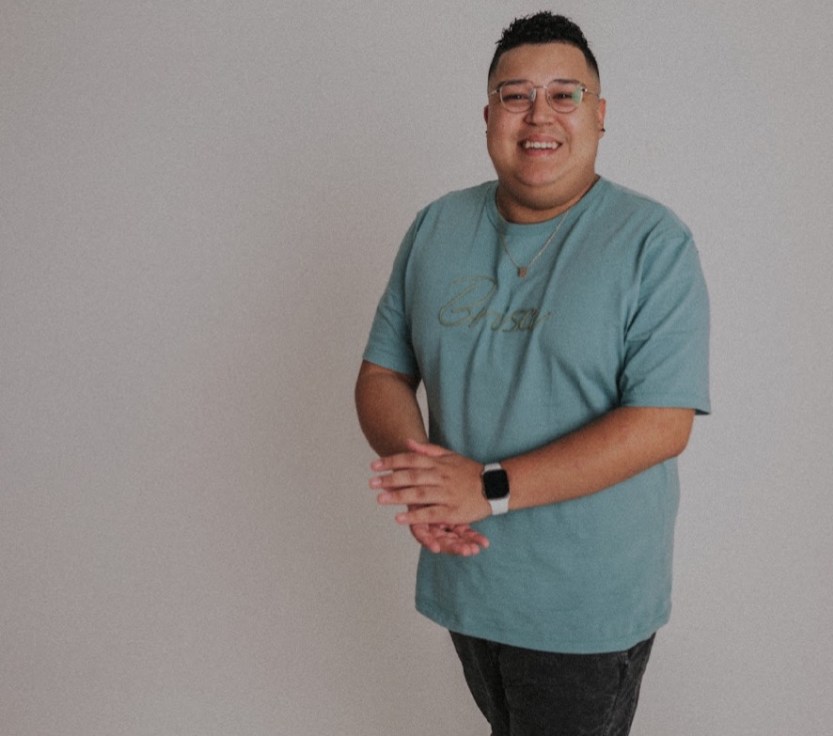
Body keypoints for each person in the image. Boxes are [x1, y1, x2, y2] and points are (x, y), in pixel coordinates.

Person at [355, 11, 710, 735]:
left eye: (564, 94)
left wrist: (485, 487)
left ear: (599, 114)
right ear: (489, 116)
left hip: (585, 605)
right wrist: (425, 479)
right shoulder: (436, 227)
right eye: (515, 95)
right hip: (470, 583)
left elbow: (661, 424)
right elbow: (382, 375)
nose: (539, 115)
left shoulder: (653, 242)